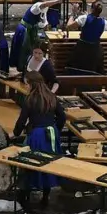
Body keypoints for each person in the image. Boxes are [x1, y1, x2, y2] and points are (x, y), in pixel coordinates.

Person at [12, 72, 66, 201]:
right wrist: (55, 129)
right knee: (48, 163)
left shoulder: (30, 99)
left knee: (30, 162)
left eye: (26, 84)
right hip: (51, 133)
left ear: (31, 84)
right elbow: (62, 117)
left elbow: (22, 121)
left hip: (37, 135)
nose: (25, 86)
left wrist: (15, 133)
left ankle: (26, 194)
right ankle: (45, 196)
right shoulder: (51, 97)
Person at [11, 0, 51, 74]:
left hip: (32, 30)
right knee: (23, 50)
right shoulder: (36, 6)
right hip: (24, 30)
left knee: (30, 50)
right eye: (48, 0)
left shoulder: (45, 9)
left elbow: (44, 22)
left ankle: (29, 69)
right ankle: (21, 69)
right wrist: (58, 1)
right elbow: (44, 4)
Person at [66, 1, 106, 74]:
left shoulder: (84, 18)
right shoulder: (105, 22)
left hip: (82, 49)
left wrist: (73, 13)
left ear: (91, 9)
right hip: (95, 51)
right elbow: (94, 28)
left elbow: (69, 26)